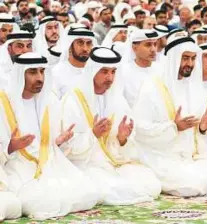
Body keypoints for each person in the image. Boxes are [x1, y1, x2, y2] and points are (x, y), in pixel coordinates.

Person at [133, 36, 207, 197]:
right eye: (185, 58)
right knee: (193, 186)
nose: (190, 64)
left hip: (192, 157)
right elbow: (140, 130)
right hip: (162, 156)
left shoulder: (193, 88)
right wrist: (174, 127)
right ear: (174, 59)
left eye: (192, 58)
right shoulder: (152, 87)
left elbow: (197, 133)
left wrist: (202, 128)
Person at [0, 52, 98, 220]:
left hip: (50, 166)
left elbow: (48, 146)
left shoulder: (48, 101)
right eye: (32, 72)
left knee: (90, 193)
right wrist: (11, 146)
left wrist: (57, 142)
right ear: (19, 74)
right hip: (17, 168)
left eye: (42, 71)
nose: (39, 78)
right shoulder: (3, 103)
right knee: (43, 203)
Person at [60, 47, 161, 205]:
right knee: (103, 188)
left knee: (151, 183)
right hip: (87, 164)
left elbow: (125, 145)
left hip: (113, 162)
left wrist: (122, 139)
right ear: (93, 71)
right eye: (104, 71)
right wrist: (92, 134)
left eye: (113, 72)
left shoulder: (117, 99)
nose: (110, 77)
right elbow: (66, 146)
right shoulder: (73, 100)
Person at [52, 28, 96, 99]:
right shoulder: (56, 72)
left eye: (88, 43)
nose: (85, 48)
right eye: (80, 43)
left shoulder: (95, 70)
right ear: (69, 46)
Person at [121, 29, 159, 107]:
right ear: (134, 48)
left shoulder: (162, 69)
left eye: (155, 44)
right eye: (148, 45)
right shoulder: (123, 72)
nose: (153, 50)